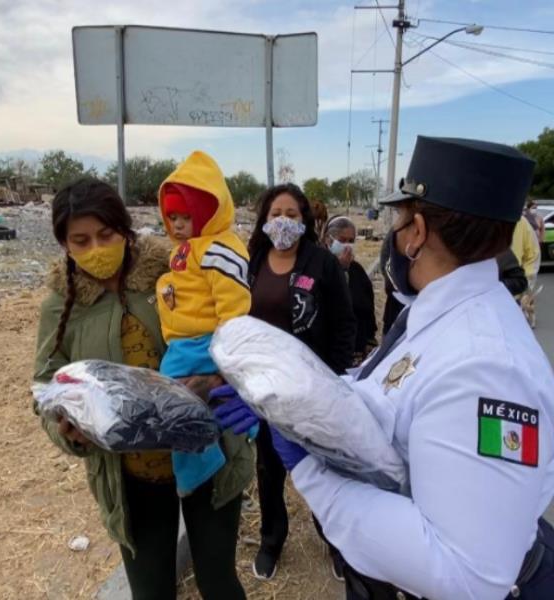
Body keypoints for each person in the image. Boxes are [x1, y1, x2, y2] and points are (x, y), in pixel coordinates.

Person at [217, 136, 554, 599]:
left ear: (417, 231)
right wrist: (292, 403)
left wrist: (310, 470)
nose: (393, 232)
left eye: (398, 217)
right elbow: (384, 389)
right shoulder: (439, 315)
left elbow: (465, 575)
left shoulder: (488, 367)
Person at [33, 178, 253, 600]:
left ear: (125, 230)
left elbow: (235, 334)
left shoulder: (175, 274)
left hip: (208, 455)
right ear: (64, 244)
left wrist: (218, 381)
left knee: (219, 584)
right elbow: (45, 385)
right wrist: (66, 427)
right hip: (133, 476)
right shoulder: (62, 306)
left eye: (106, 235)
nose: (96, 248)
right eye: (80, 240)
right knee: (151, 592)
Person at [236, 183, 356, 581]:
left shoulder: (321, 263)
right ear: (264, 220)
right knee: (269, 470)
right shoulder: (252, 261)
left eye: (291, 214)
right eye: (275, 214)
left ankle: (336, 542)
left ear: (304, 220)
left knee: (323, 467)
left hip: (312, 390)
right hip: (266, 391)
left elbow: (344, 324)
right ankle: (272, 541)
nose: (283, 221)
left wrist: (333, 378)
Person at [155, 150, 253, 497]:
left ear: (208, 212)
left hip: (203, 342)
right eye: (173, 217)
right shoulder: (188, 249)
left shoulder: (219, 249)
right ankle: (204, 456)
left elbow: (233, 301)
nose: (178, 225)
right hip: (184, 343)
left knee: (174, 403)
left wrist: (228, 346)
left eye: (186, 216)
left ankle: (201, 465)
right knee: (183, 401)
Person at [324, 215, 378, 365]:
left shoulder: (357, 271)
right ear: (329, 240)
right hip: (329, 352)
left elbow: (368, 309)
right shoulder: (319, 267)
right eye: (342, 240)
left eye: (351, 241)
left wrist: (370, 342)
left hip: (357, 351)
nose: (347, 245)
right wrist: (339, 269)